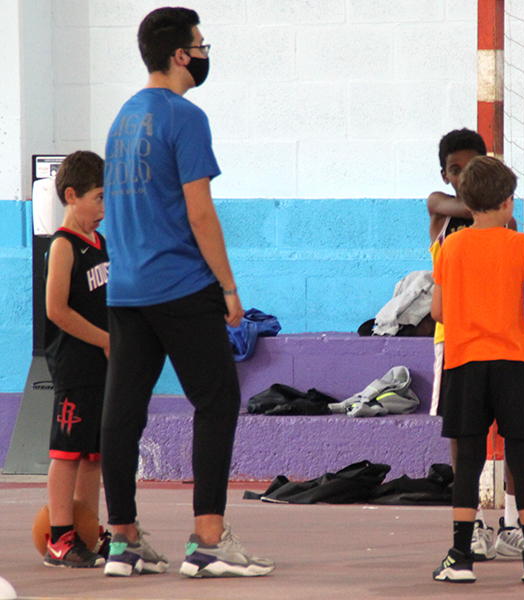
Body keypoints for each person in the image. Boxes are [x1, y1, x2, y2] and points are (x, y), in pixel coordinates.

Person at [101, 7, 274, 578]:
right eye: (200, 45)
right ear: (181, 55)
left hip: (126, 292)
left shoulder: (123, 119)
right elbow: (200, 213)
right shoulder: (185, 116)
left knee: (123, 412)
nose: (203, 54)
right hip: (180, 284)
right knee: (217, 401)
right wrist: (229, 288)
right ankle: (207, 542)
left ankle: (122, 541)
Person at [427, 129, 524, 563]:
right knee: (520, 454)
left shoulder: (451, 247)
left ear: (467, 199)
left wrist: (471, 322)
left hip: (463, 357)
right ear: (508, 202)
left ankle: (461, 554)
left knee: (468, 456)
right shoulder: (521, 243)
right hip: (512, 359)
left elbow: (437, 311)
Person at [43, 151, 109, 568]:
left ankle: (87, 531)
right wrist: (106, 340)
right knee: (67, 452)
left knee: (93, 453)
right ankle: (59, 537)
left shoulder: (100, 245)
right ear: (71, 195)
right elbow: (56, 310)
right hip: (74, 366)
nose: (104, 208)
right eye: (98, 198)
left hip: (102, 365)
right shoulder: (64, 245)